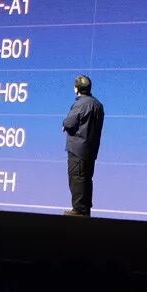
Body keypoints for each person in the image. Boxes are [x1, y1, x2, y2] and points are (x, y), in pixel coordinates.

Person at [61, 74, 104, 216]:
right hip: (90, 150)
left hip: (77, 149)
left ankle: (79, 210)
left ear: (77, 88)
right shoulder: (98, 105)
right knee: (86, 179)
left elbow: (70, 123)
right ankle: (85, 209)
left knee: (77, 178)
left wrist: (64, 124)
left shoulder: (80, 104)